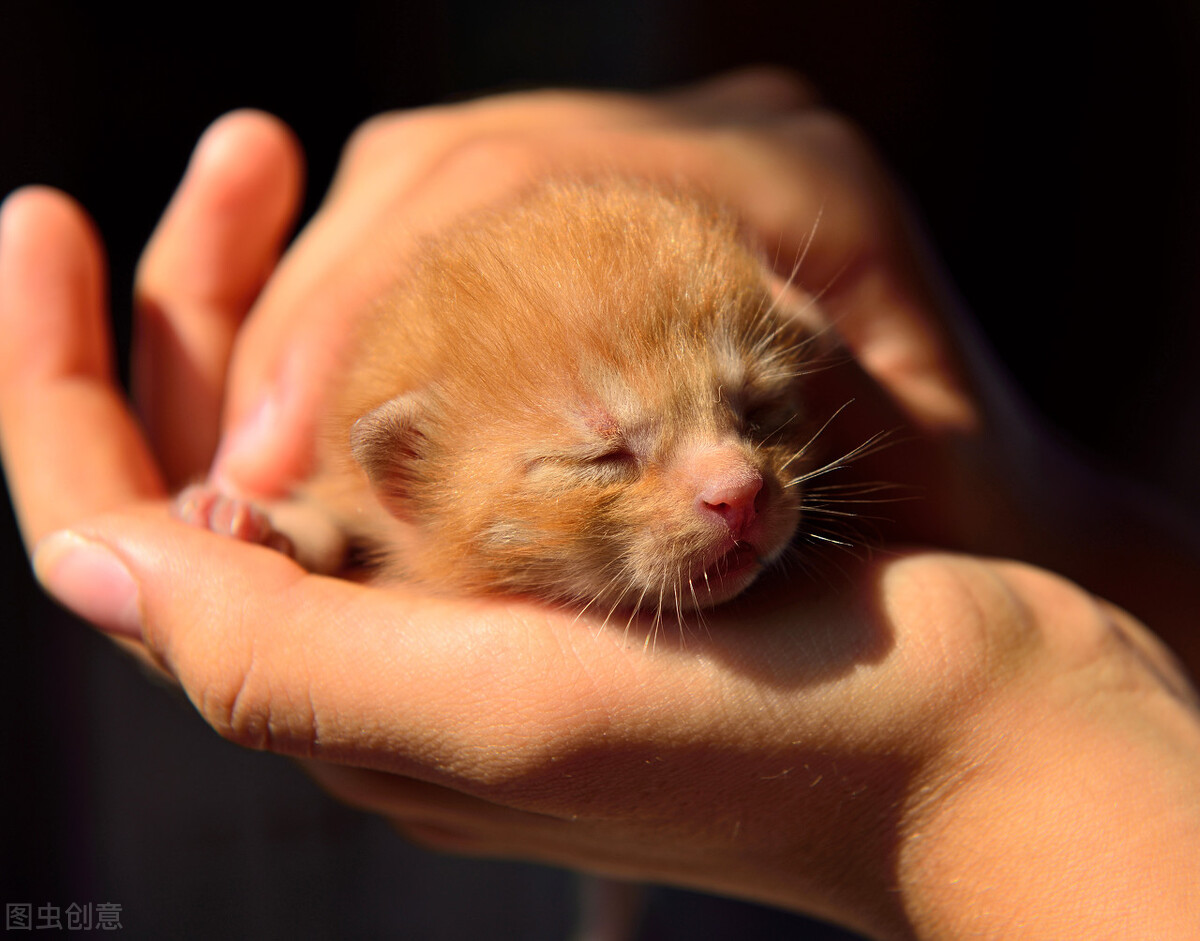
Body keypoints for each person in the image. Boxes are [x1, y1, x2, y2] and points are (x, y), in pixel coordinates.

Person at [1, 70, 1197, 939]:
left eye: (757, 406)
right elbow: (330, 524)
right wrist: (275, 531)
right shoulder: (386, 484)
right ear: (407, 475)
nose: (737, 478)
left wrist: (978, 773)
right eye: (605, 455)